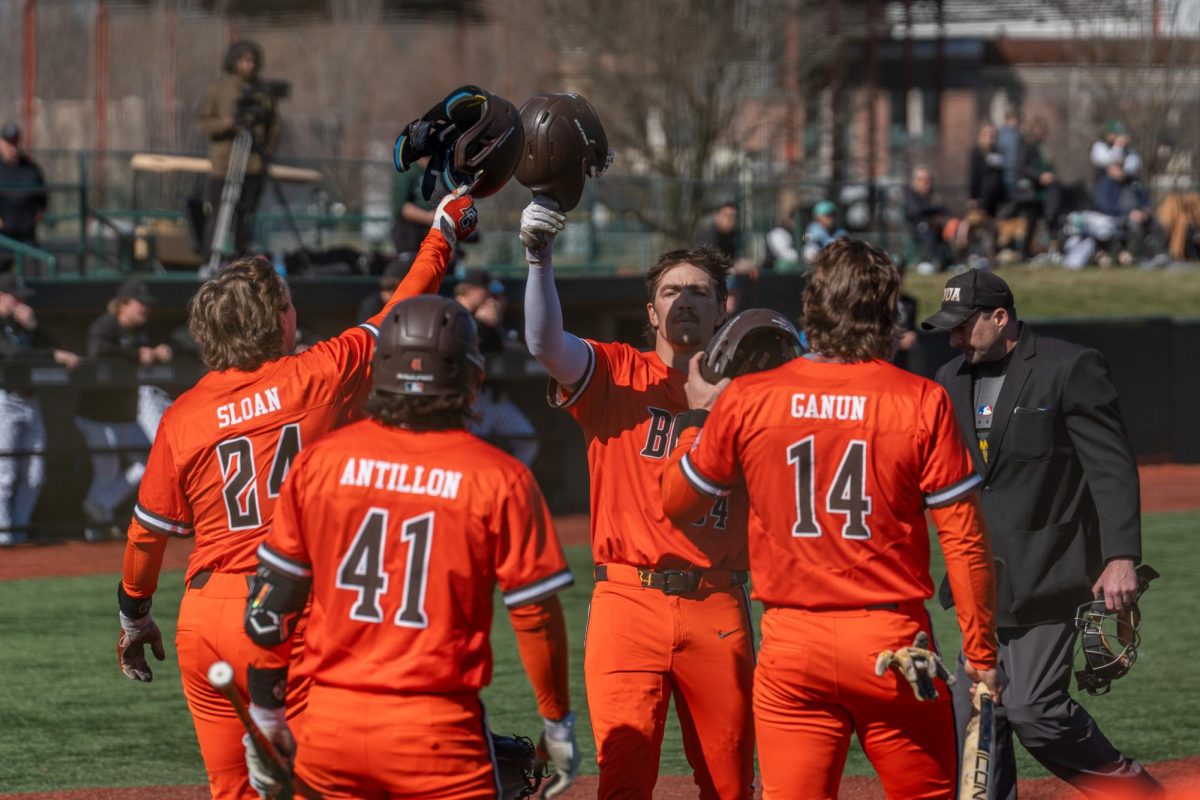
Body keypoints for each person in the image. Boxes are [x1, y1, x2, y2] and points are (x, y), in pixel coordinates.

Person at [113, 191, 478, 799]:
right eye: (286, 302)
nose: (294, 310)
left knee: (235, 792)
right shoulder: (319, 372)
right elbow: (401, 310)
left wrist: (133, 615)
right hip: (290, 608)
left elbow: (145, 534)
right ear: (274, 318)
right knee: (328, 784)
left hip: (205, 617)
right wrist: (442, 233)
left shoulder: (182, 415)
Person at [660, 238, 1000, 799]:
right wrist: (982, 654)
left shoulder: (748, 398)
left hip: (793, 644)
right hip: (892, 642)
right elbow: (963, 542)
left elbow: (678, 503)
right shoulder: (920, 400)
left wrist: (699, 414)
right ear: (888, 313)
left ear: (812, 308)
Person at [240, 294, 579, 799]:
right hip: (436, 729)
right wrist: (556, 722)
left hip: (330, 725)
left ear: (381, 371)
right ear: (470, 376)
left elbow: (270, 608)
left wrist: (266, 719)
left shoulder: (318, 462)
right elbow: (536, 616)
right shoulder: (500, 477)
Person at [521, 202, 755, 799]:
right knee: (623, 779)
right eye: (671, 291)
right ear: (651, 310)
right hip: (628, 599)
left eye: (700, 291)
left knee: (729, 784)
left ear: (722, 307)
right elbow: (545, 342)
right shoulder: (617, 370)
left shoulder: (752, 393)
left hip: (718, 599)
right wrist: (539, 258)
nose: (685, 300)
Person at [921, 270, 1163, 800]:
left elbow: (1111, 467)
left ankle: (1138, 793)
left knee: (1033, 706)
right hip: (977, 578)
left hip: (1051, 570)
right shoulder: (946, 378)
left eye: (963, 327)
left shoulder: (1068, 367)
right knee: (975, 717)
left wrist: (1121, 555)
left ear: (1000, 317)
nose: (955, 339)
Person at [75, 279, 172, 541]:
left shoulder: (145, 329)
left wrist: (163, 348)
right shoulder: (105, 325)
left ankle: (99, 507)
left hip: (123, 415)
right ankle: (96, 527)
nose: (145, 310)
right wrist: (134, 353)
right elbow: (98, 351)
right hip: (96, 416)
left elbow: (168, 340)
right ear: (123, 305)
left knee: (149, 461)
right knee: (106, 470)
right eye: (140, 304)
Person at [0, 272, 79, 545]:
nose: (20, 301)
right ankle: (5, 537)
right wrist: (51, 355)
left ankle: (18, 534)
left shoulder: (23, 326)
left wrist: (34, 328)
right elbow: (11, 354)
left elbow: (59, 349)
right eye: (15, 296)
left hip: (30, 401)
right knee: (6, 473)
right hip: (5, 400)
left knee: (34, 474)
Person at [197, 40, 280, 260]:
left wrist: (267, 152)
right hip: (225, 164)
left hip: (252, 165)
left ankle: (243, 259)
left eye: (251, 61)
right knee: (220, 214)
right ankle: (212, 259)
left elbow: (274, 126)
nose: (247, 65)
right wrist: (227, 123)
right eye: (243, 60)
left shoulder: (263, 92)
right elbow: (204, 123)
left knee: (247, 217)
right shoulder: (219, 90)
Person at [454, 272, 540, 466]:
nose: (491, 300)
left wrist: (491, 325)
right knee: (467, 447)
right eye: (487, 293)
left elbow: (501, 349)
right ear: (472, 290)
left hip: (493, 396)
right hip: (467, 397)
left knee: (527, 441)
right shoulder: (454, 314)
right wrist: (482, 324)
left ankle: (513, 482)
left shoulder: (492, 321)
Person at [1013, 116, 1064, 259]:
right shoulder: (1027, 145)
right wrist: (1039, 176)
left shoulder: (1044, 147)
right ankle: (1024, 253)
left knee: (1051, 219)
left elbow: (1049, 165)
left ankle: (1055, 250)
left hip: (1046, 192)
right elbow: (1022, 167)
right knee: (1030, 223)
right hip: (1032, 191)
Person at [0, 123, 48, 272]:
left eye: (14, 142)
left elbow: (42, 196)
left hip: (26, 235)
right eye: (8, 142)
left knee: (32, 280)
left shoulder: (30, 168)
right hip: (3, 237)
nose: (12, 147)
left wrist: (38, 212)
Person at [696, 201, 756, 314]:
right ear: (717, 216)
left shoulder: (734, 236)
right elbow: (712, 264)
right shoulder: (708, 235)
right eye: (726, 215)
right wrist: (736, 267)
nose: (730, 219)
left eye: (733, 216)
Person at [904, 166, 951, 273]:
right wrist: (933, 210)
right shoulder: (911, 193)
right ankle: (935, 261)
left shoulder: (932, 194)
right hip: (918, 227)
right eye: (923, 180)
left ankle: (948, 260)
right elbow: (916, 211)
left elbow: (943, 209)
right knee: (927, 232)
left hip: (936, 226)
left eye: (928, 180)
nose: (926, 183)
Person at [968, 122, 1008, 218]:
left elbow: (1001, 173)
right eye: (987, 133)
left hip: (997, 197)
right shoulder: (977, 152)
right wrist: (973, 197)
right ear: (982, 135)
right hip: (983, 196)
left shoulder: (997, 151)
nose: (990, 135)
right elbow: (974, 175)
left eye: (993, 133)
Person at [801, 200, 847, 265]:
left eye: (833, 215)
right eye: (827, 215)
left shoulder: (840, 231)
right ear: (818, 217)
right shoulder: (812, 228)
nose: (831, 218)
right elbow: (804, 241)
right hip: (817, 265)